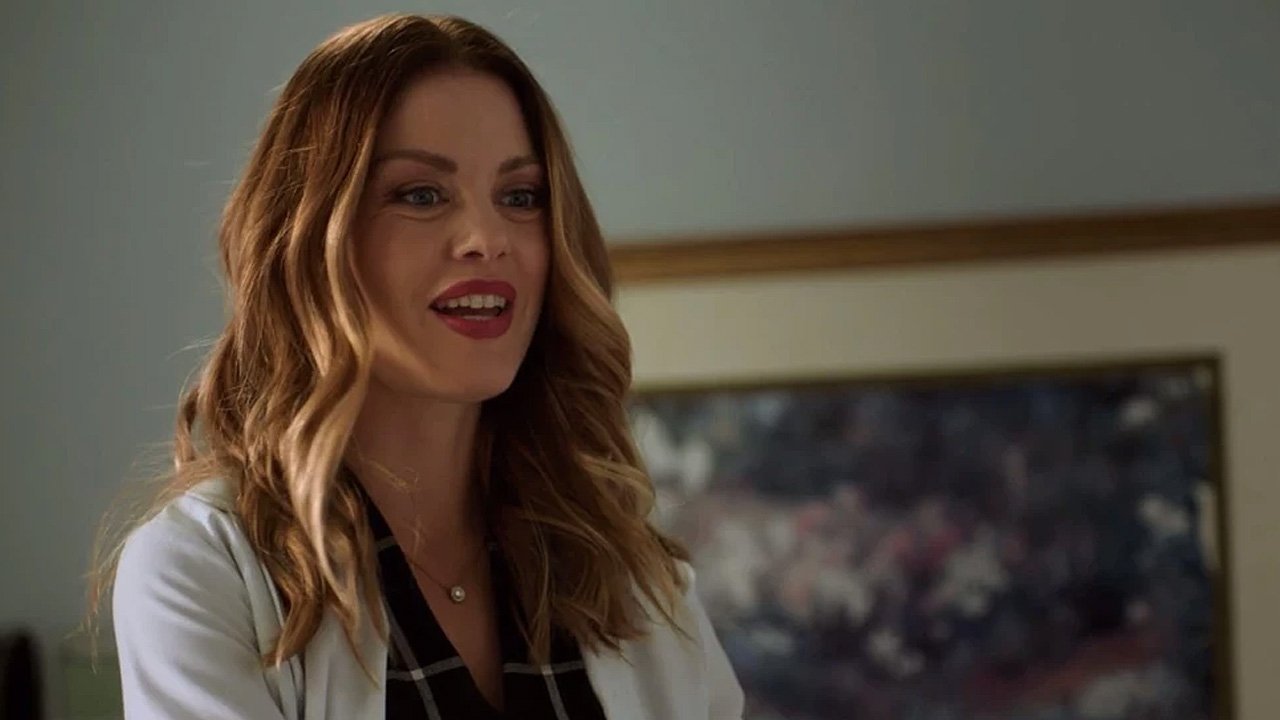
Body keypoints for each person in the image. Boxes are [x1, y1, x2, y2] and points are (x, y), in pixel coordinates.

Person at [90, 13, 744, 720]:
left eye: (520, 197)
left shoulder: (634, 578)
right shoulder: (203, 570)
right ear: (310, 238)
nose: (486, 238)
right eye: (421, 195)